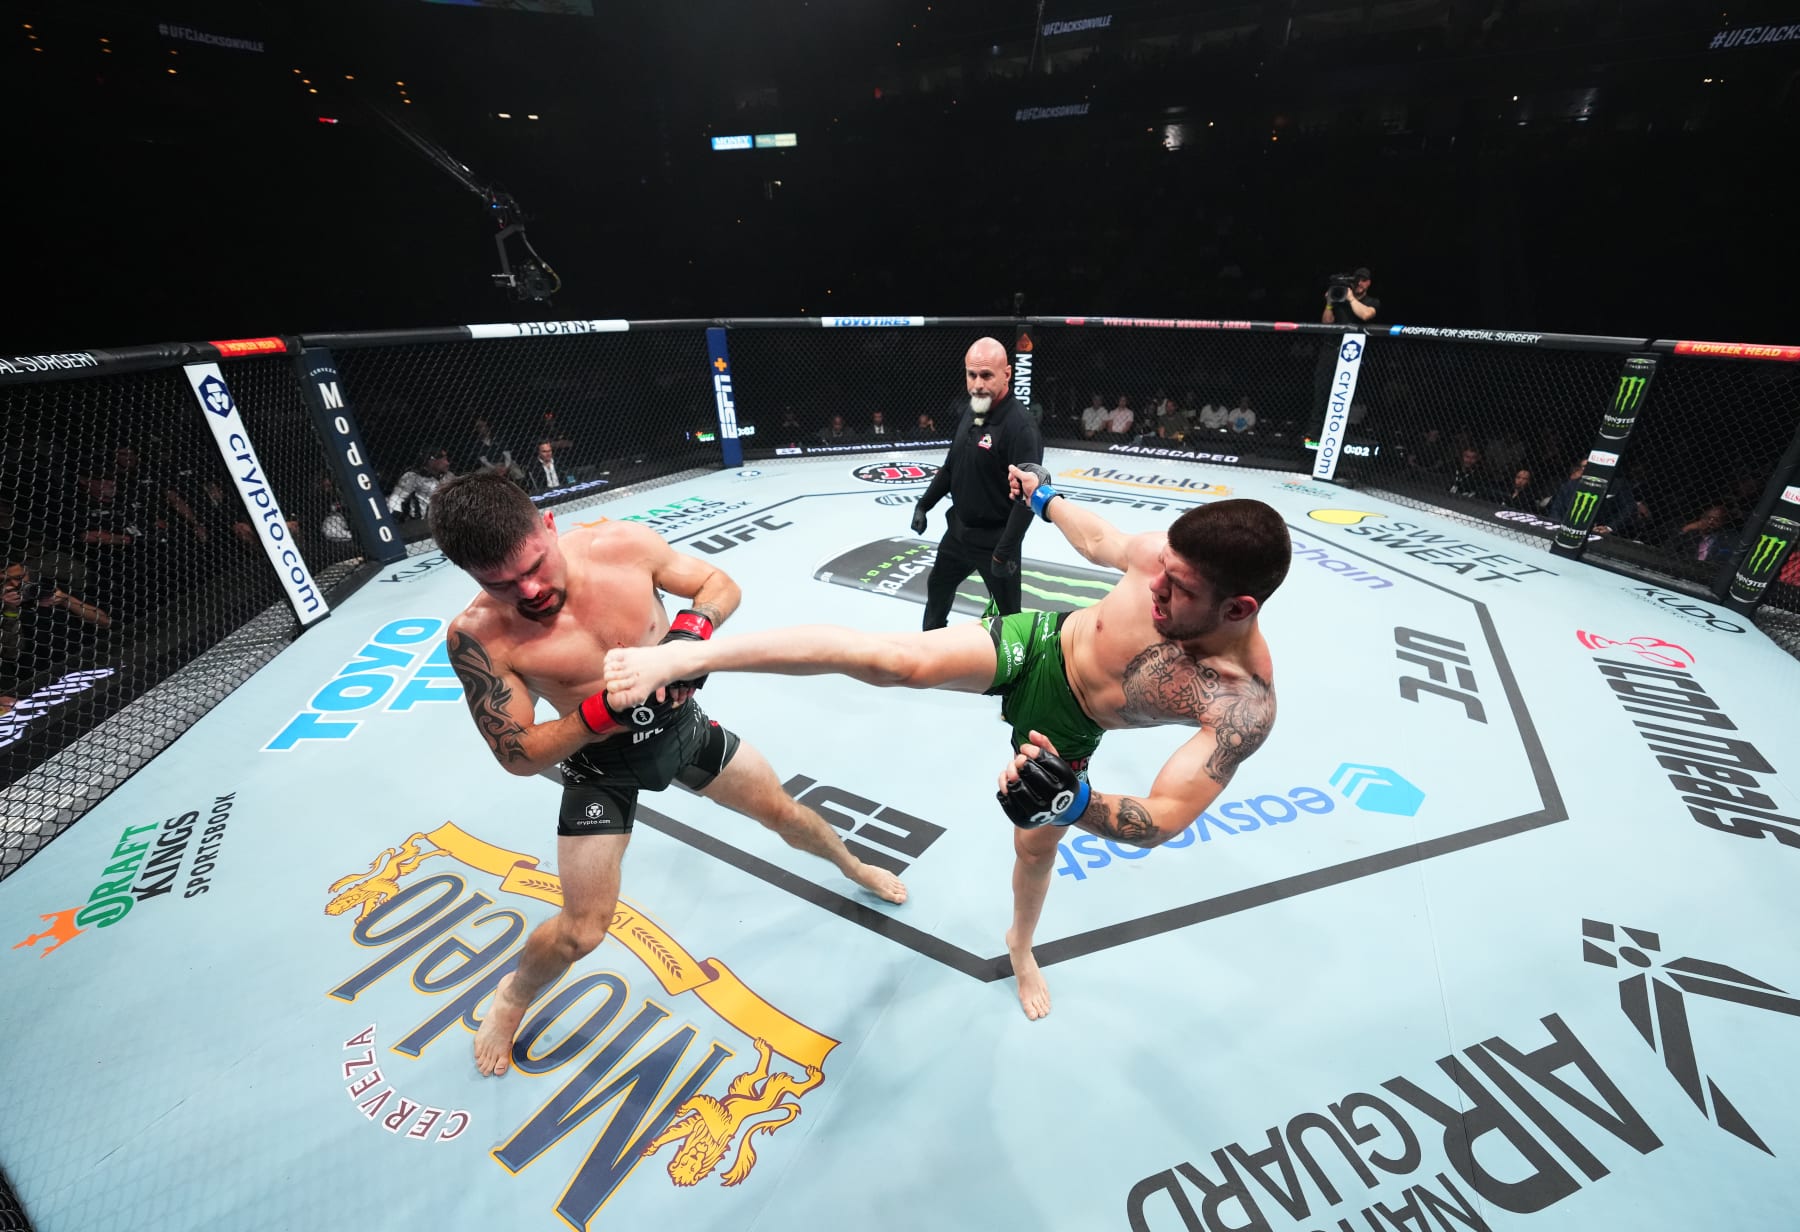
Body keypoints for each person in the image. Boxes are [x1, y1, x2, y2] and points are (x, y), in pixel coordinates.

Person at [603, 467, 1288, 1020]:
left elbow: (1164, 817)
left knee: (1034, 846)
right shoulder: (1160, 559)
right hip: (1039, 647)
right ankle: (688, 660)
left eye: (1181, 589)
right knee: (893, 660)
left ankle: (1021, 945)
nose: (1156, 587)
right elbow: (1103, 542)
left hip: (1070, 732)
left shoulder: (1240, 703)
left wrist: (1075, 801)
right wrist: (1047, 499)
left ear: (1238, 609)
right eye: (1162, 569)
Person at [426, 470, 906, 1077]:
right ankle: (512, 998)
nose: (529, 589)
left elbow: (716, 583)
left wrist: (686, 636)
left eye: (535, 565)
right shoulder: (478, 637)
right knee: (583, 931)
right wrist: (604, 710)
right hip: (598, 767)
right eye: (503, 583)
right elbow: (517, 754)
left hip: (682, 732)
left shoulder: (621, 546)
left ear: (549, 525)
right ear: (472, 578)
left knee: (785, 813)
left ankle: (852, 865)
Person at [909, 337, 1044, 629]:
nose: (977, 384)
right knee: (938, 590)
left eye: (986, 375)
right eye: (972, 374)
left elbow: (1028, 498)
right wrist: (924, 505)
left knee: (1010, 618)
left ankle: (1013, 673)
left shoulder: (1021, 427)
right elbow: (951, 466)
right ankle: (932, 646)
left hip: (996, 541)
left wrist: (1004, 551)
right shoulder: (974, 409)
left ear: (1007, 374)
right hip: (958, 532)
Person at [388, 446, 453, 521]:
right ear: (432, 460)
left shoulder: (449, 476)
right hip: (423, 523)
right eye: (444, 459)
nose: (447, 463)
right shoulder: (413, 477)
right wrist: (394, 517)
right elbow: (397, 498)